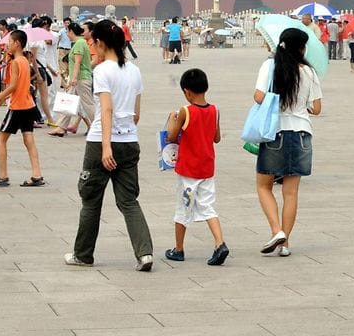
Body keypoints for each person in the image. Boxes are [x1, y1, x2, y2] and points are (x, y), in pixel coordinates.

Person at [65, 20, 153, 271]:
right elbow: (136, 114)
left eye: (93, 43)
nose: (93, 47)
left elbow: (106, 109)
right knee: (129, 201)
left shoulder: (103, 71)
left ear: (101, 43)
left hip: (101, 143)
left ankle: (83, 254)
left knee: (91, 200)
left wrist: (105, 147)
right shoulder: (134, 71)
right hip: (129, 141)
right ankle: (144, 253)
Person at [254, 28, 322, 257]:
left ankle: (276, 230)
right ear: (302, 48)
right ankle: (285, 243)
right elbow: (317, 108)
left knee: (264, 185)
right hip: (302, 133)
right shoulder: (309, 72)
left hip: (276, 132)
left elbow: (259, 96)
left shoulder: (270, 66)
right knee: (291, 193)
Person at [164, 68, 228, 266]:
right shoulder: (214, 110)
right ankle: (220, 243)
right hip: (207, 168)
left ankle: (179, 248)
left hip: (189, 170)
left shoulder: (185, 111)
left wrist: (173, 120)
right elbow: (216, 138)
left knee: (183, 208)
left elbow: (172, 136)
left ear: (187, 91)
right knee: (208, 207)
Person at [0, 30, 45, 187]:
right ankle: (37, 174)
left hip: (18, 106)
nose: (7, 45)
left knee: (1, 139)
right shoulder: (24, 60)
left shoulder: (16, 63)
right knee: (28, 139)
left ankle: (3, 176)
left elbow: (13, 86)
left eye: (10, 42)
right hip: (28, 105)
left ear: (17, 43)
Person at [48, 23, 95, 137]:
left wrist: (73, 79)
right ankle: (61, 127)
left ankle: (100, 126)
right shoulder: (80, 43)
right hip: (79, 78)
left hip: (81, 79)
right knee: (68, 103)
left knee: (88, 105)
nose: (67, 34)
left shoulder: (79, 43)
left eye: (67, 31)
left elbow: (78, 63)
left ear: (71, 32)